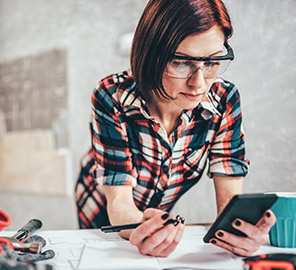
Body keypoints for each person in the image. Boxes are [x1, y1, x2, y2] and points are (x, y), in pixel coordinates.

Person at [75, 0, 276, 258]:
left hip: (154, 212)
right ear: (151, 54)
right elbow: (119, 203)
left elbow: (230, 204)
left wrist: (239, 231)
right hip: (100, 202)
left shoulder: (225, 99)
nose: (199, 84)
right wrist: (144, 227)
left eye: (213, 62)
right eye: (181, 62)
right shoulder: (112, 96)